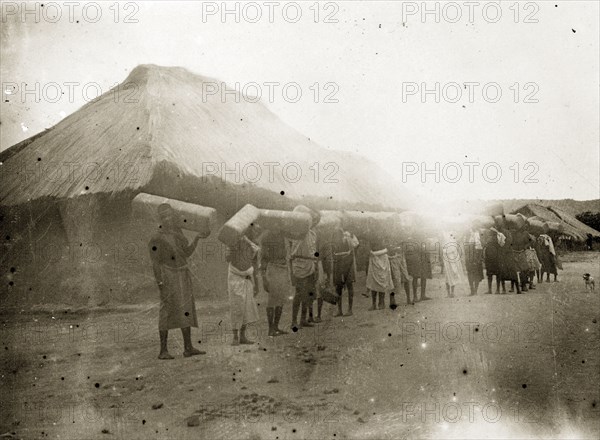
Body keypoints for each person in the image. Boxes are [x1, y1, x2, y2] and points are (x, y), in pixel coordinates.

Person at [149, 203, 207, 360]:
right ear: (160, 219)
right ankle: (163, 351)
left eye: (170, 215)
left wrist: (197, 239)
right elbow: (155, 263)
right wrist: (160, 283)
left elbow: (186, 253)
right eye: (164, 216)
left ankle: (188, 348)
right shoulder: (157, 237)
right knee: (167, 310)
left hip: (183, 274)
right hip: (168, 275)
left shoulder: (178, 233)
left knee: (186, 308)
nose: (168, 218)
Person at [226, 225, 263, 345]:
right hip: (235, 276)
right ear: (248, 229)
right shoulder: (236, 241)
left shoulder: (254, 245)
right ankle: (235, 336)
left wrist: (256, 284)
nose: (257, 232)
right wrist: (233, 247)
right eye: (254, 229)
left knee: (247, 307)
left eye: (258, 230)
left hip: (247, 276)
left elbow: (255, 265)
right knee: (237, 305)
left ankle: (242, 336)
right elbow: (227, 258)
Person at [285, 206, 320, 330]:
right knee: (299, 293)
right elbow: (291, 254)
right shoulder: (297, 233)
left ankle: (303, 319)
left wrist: (315, 266)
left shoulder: (313, 233)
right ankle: (294, 321)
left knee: (308, 293)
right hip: (299, 265)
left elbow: (313, 251)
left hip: (310, 264)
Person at [259, 230, 289, 336]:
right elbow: (263, 257)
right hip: (272, 268)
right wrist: (263, 276)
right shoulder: (266, 236)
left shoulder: (282, 234)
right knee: (272, 299)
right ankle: (270, 328)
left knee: (281, 299)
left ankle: (276, 326)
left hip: (283, 267)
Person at [328, 227, 359, 316]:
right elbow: (333, 256)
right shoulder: (333, 244)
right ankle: (339, 310)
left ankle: (350, 309)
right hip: (338, 266)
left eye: (339, 235)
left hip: (348, 265)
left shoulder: (347, 240)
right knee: (338, 287)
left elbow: (355, 246)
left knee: (349, 285)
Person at [366, 227, 394, 310]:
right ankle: (374, 304)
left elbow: (388, 248)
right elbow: (368, 249)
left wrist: (376, 253)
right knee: (374, 281)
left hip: (383, 259)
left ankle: (381, 302)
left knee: (383, 280)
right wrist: (371, 253)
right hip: (374, 259)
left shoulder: (385, 236)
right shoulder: (370, 237)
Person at [404, 230, 433, 302]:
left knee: (423, 277)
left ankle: (422, 295)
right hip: (417, 261)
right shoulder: (414, 242)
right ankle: (415, 297)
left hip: (423, 260)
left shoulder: (423, 241)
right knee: (416, 277)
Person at [441, 231, 463, 298]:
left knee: (453, 274)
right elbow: (443, 249)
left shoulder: (453, 240)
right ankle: (448, 293)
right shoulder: (444, 239)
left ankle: (452, 292)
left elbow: (455, 249)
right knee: (447, 276)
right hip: (447, 259)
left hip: (453, 259)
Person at [463, 225, 484, 296]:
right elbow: (465, 248)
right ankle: (472, 290)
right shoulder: (467, 236)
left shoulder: (478, 234)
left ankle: (475, 290)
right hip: (469, 257)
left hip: (476, 256)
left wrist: (479, 258)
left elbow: (481, 247)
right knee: (470, 274)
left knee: (476, 273)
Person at [485, 228, 506, 294]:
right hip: (491, 258)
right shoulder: (491, 239)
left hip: (495, 258)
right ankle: (492, 289)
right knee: (491, 275)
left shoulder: (497, 238)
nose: (490, 234)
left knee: (495, 274)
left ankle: (495, 289)